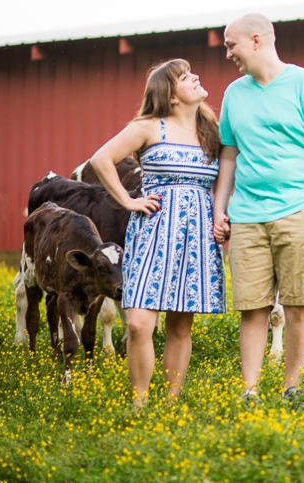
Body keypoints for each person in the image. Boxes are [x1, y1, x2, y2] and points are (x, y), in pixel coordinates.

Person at [213, 13, 304, 405]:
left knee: (299, 305)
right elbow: (229, 157)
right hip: (248, 217)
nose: (227, 52)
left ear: (256, 40)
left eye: (231, 44)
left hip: (300, 211)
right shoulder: (234, 93)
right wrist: (220, 208)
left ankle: (291, 386)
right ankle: (249, 389)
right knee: (252, 308)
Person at [91, 58, 226, 409]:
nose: (195, 76)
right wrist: (127, 201)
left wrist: (222, 215)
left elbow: (227, 178)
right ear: (171, 94)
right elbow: (101, 160)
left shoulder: (211, 129)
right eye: (185, 76)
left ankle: (170, 403)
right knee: (138, 323)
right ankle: (140, 400)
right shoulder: (149, 127)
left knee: (180, 325)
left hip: (197, 232)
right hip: (153, 231)